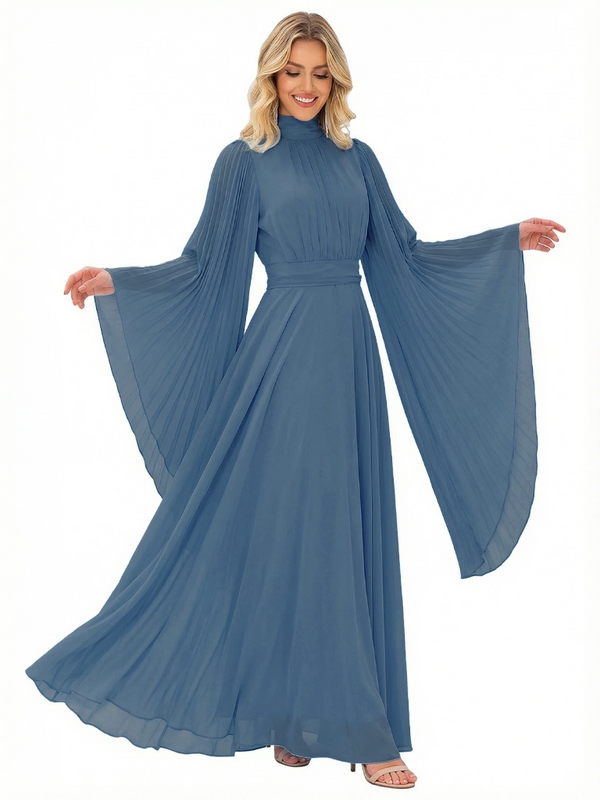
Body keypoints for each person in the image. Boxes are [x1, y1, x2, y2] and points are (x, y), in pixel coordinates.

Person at [25, 11, 565, 791]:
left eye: (319, 72)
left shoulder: (358, 160)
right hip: (280, 363)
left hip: (349, 359)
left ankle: (306, 718)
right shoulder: (244, 162)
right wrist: (121, 282)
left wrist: (501, 241)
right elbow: (204, 266)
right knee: (299, 529)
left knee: (336, 529)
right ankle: (356, 732)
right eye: (292, 71)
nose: (306, 86)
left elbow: (404, 256)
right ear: (270, 76)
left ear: (334, 78)